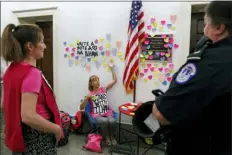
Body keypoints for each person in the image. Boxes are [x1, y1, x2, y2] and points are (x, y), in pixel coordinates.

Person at [152, 1, 232, 155]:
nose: (204, 29)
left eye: (206, 23)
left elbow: (162, 113)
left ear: (219, 28)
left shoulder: (209, 62)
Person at [1, 24, 63, 155]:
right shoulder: (31, 73)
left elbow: (4, 103)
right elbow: (28, 116)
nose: (45, 46)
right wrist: (56, 129)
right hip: (36, 135)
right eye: (41, 42)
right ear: (30, 46)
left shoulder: (10, 70)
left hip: (20, 135)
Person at [80, 64, 118, 145]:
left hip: (107, 112)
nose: (97, 82)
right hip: (97, 114)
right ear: (91, 84)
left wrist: (112, 69)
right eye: (94, 80)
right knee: (104, 121)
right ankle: (106, 137)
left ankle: (112, 137)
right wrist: (87, 98)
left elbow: (114, 80)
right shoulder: (90, 94)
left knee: (112, 121)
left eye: (98, 80)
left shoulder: (103, 89)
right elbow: (81, 107)